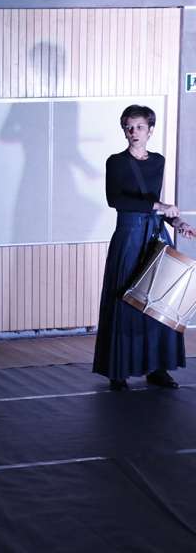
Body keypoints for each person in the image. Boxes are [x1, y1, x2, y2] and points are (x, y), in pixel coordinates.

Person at [93, 105, 195, 391]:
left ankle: (157, 368)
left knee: (161, 300)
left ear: (150, 130)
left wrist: (177, 222)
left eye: (138, 127)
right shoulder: (116, 161)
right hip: (129, 234)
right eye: (128, 126)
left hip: (155, 233)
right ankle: (119, 371)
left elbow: (155, 200)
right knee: (125, 299)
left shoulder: (158, 161)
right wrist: (159, 206)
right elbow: (116, 200)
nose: (133, 132)